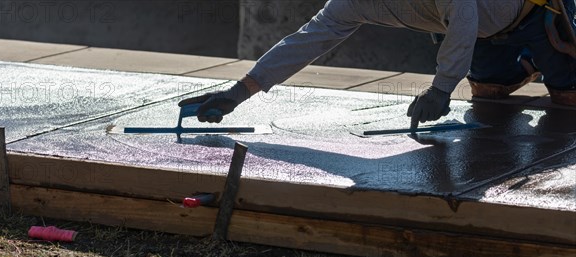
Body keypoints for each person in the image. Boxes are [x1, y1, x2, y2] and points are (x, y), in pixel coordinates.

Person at [180, 0, 576, 129]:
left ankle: (551, 62)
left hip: (533, 15)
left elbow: (464, 17)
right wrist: (238, 92)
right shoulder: (350, 3)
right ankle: (525, 67)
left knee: (569, 100)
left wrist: (441, 88)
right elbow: (306, 41)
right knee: (490, 93)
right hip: (484, 33)